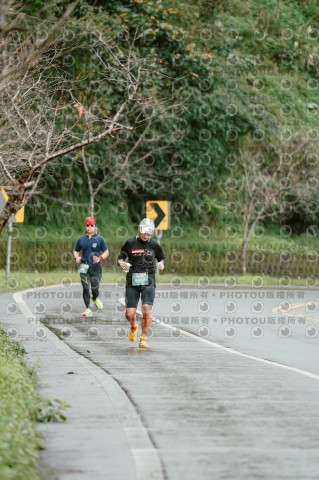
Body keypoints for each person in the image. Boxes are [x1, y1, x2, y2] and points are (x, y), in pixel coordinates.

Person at [117, 218, 165, 348]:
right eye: (144, 232)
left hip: (148, 281)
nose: (146, 236)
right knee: (129, 313)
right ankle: (134, 325)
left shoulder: (154, 245)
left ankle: (143, 339)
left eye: (149, 234)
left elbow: (161, 257)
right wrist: (121, 263)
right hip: (132, 281)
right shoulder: (130, 243)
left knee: (146, 310)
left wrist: (161, 263)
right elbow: (120, 257)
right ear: (139, 229)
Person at [73, 216, 109, 317]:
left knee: (95, 288)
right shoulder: (81, 239)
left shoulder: (100, 239)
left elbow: (106, 251)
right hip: (84, 266)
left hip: (96, 267)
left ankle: (95, 297)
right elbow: (76, 250)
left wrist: (100, 258)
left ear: (95, 226)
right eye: (87, 225)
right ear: (85, 226)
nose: (89, 227)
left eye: (92, 225)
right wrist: (77, 257)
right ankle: (88, 309)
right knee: (85, 287)